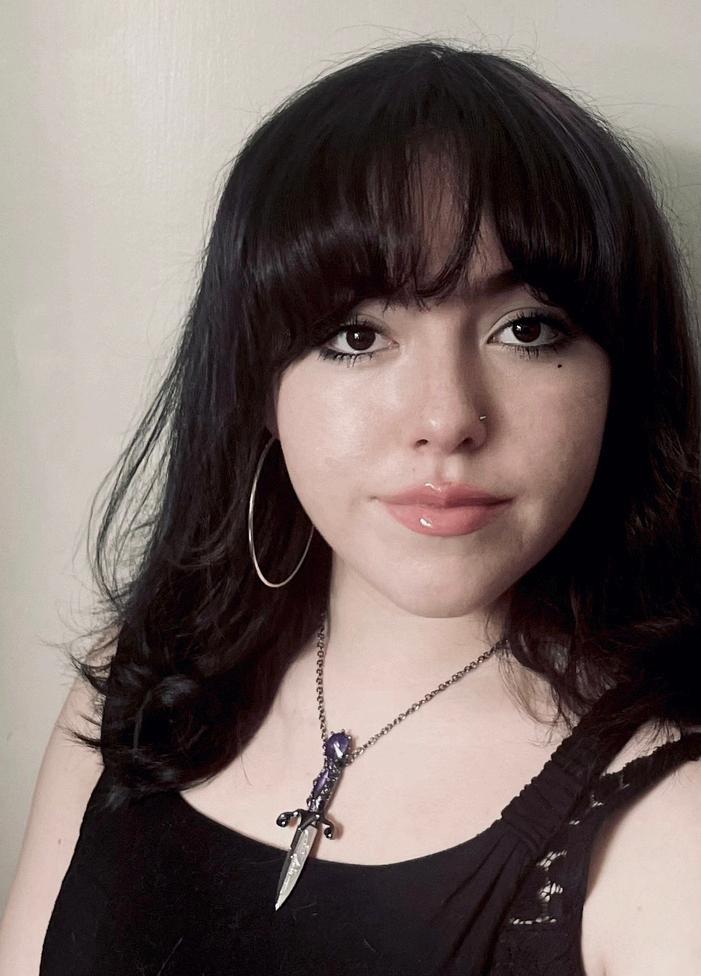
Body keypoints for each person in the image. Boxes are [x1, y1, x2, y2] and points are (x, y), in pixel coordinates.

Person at [1, 39, 700, 976]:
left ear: (621, 379)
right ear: (258, 384)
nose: (445, 419)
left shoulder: (671, 825)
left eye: (526, 329)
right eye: (356, 335)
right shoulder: (131, 688)